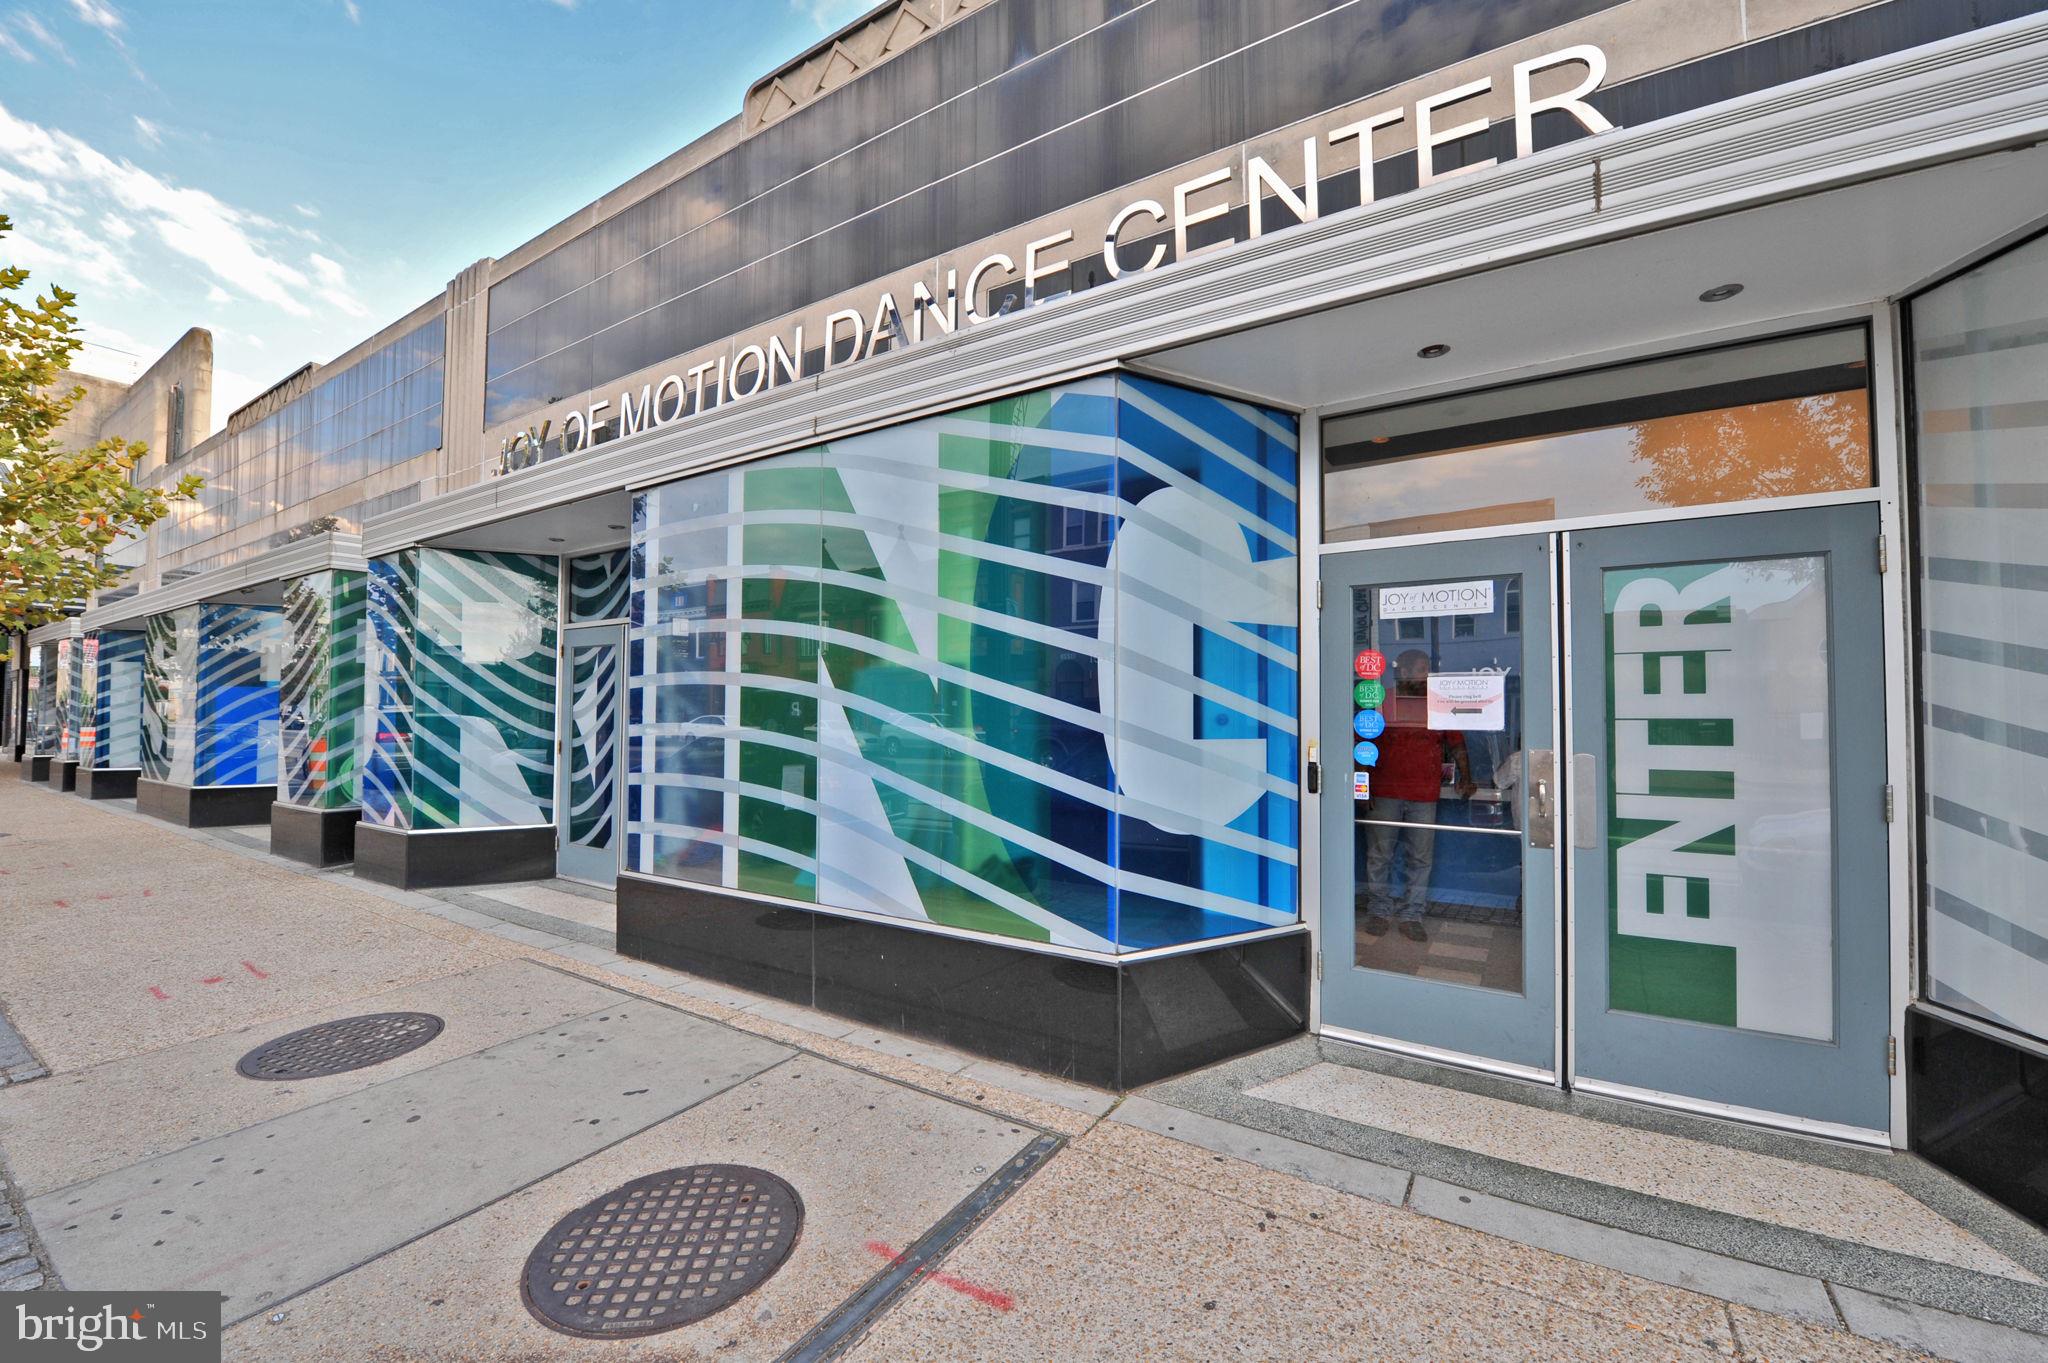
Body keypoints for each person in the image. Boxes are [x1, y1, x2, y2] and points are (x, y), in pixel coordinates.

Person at [1363, 649, 1475, 943]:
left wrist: (1467, 776)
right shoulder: (1380, 700)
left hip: (1424, 794)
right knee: (1379, 856)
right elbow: (1361, 744)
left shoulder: (1437, 704)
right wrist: (1361, 786)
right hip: (1384, 791)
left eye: (1428, 669)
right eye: (1421, 669)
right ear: (1403, 671)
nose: (1426, 675)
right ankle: (1379, 910)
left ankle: (1412, 914)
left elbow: (1457, 744)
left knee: (1420, 858)